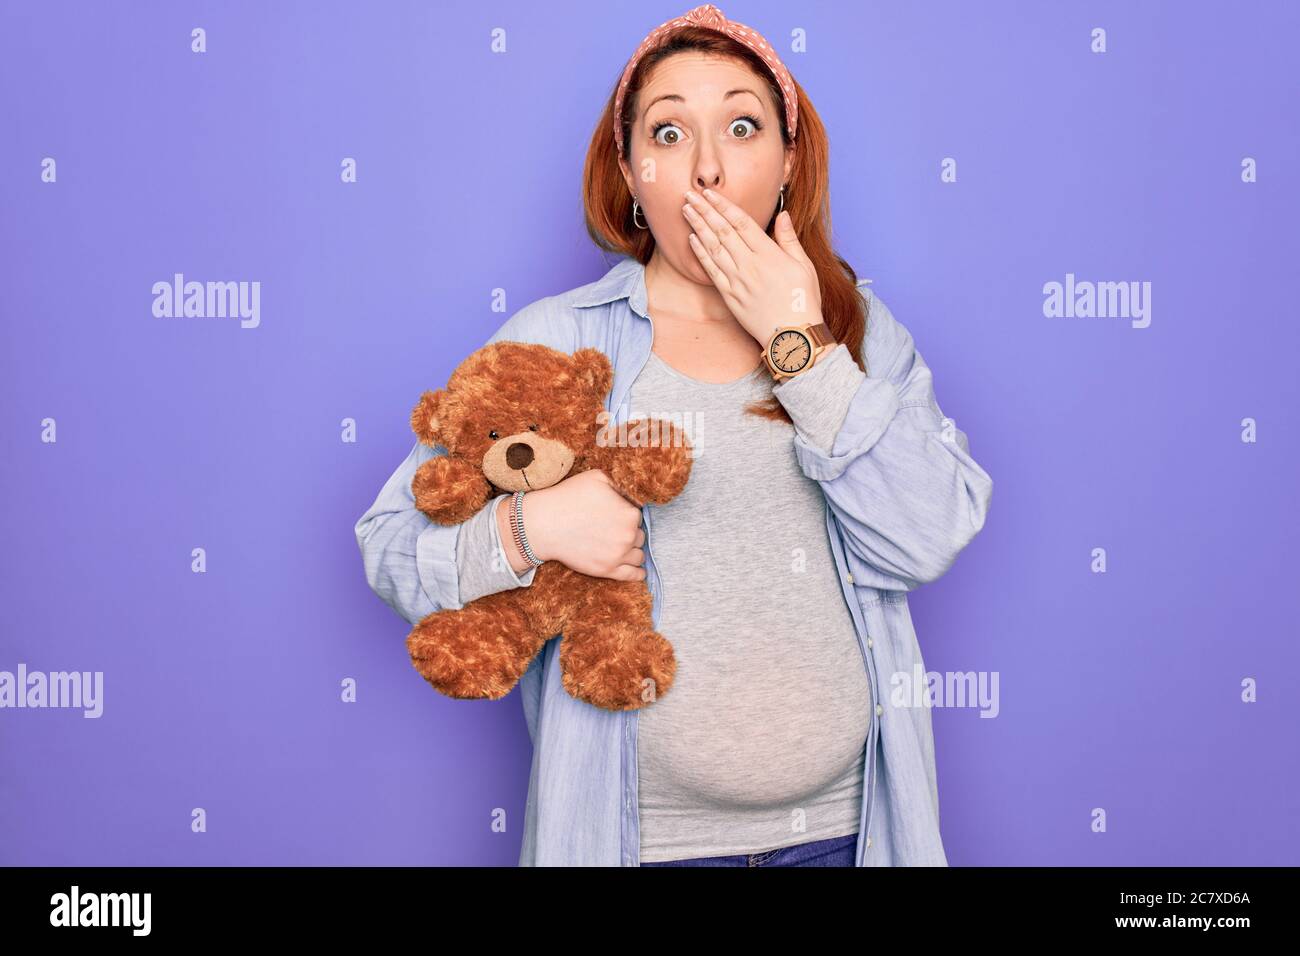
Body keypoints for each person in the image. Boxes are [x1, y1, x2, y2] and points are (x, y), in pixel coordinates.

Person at [354, 3, 993, 867]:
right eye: (667, 134)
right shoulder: (558, 340)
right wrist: (530, 530)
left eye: (741, 125)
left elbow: (927, 537)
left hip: (847, 837)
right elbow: (391, 549)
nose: (707, 172)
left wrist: (798, 346)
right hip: (638, 847)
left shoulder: (857, 330)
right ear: (628, 169)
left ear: (788, 160)